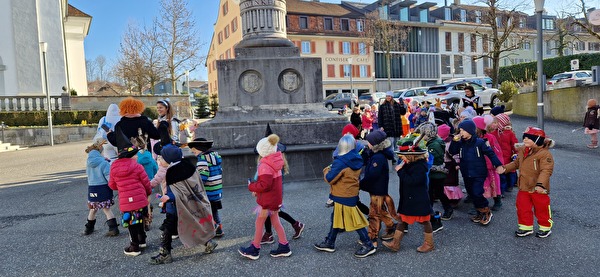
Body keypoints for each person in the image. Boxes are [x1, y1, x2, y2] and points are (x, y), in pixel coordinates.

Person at [149, 145, 218, 264]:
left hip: (175, 207)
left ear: (169, 160)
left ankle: (165, 254)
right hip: (189, 204)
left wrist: (168, 197)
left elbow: (179, 192)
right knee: (192, 223)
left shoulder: (173, 172)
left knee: (168, 228)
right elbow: (190, 188)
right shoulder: (188, 166)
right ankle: (208, 242)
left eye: (162, 158)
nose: (159, 160)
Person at [315, 134, 376, 258]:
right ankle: (330, 242)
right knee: (336, 219)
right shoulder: (357, 158)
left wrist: (326, 170)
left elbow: (330, 178)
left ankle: (368, 244)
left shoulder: (340, 162)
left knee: (356, 221)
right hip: (350, 193)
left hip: (342, 195)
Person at [239, 134, 292, 260]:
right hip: (275, 199)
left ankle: (255, 249)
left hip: (267, 201)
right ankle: (284, 246)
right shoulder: (276, 162)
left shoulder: (265, 165)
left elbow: (264, 185)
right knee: (276, 222)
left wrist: (252, 186)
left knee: (259, 223)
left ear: (261, 151)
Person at [498, 127, 555, 238]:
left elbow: (546, 170)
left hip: (538, 188)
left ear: (537, 140)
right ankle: (525, 226)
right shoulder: (523, 150)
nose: (525, 140)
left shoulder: (544, 154)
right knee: (522, 207)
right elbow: (516, 163)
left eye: (529, 138)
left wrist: (540, 184)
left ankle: (545, 227)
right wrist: (505, 168)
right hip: (524, 186)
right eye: (524, 138)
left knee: (542, 208)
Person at [382, 139, 434, 253]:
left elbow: (412, 181)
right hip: (409, 199)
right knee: (402, 220)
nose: (401, 158)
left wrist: (400, 171)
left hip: (418, 199)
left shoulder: (420, 167)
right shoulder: (409, 164)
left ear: (411, 156)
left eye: (403, 156)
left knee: (425, 221)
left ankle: (429, 244)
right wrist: (402, 168)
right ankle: (395, 243)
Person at [448, 119, 503, 226]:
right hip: (466, 172)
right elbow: (452, 151)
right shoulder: (460, 143)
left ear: (470, 131)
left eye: (463, 130)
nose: (461, 133)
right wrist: (454, 141)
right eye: (460, 130)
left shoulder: (480, 142)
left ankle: (486, 211)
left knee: (477, 192)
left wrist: (498, 165)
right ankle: (479, 212)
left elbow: (491, 153)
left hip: (479, 172)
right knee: (472, 193)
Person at [108, 127, 152, 256]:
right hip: (140, 200)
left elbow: (112, 185)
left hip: (127, 202)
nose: (137, 157)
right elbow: (146, 183)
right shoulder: (137, 166)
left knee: (131, 224)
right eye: (135, 155)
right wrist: (147, 193)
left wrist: (121, 187)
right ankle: (142, 240)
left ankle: (135, 247)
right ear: (131, 156)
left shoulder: (114, 167)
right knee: (140, 220)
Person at [360, 130, 397, 247]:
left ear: (376, 145)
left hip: (377, 189)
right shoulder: (375, 154)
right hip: (377, 189)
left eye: (369, 142)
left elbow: (372, 175)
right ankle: (392, 227)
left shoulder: (378, 158)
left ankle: (372, 238)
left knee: (374, 214)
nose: (367, 144)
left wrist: (360, 184)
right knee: (380, 210)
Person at [188, 138, 225, 237]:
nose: (192, 151)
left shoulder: (202, 160)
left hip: (208, 191)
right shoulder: (215, 158)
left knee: (206, 211)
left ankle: (214, 227)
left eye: (194, 149)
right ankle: (219, 229)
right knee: (214, 210)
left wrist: (194, 184)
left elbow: (202, 177)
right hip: (216, 190)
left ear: (200, 149)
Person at [83, 138, 119, 237]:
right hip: (103, 188)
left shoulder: (88, 163)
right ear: (100, 152)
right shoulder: (104, 163)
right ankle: (113, 228)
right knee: (106, 209)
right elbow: (108, 177)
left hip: (92, 189)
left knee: (93, 209)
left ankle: (88, 228)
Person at [416, 122, 447, 233]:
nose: (422, 137)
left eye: (423, 134)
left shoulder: (434, 145)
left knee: (438, 193)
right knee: (431, 194)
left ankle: (444, 212)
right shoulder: (433, 142)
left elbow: (433, 159)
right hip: (435, 172)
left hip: (437, 173)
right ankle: (429, 214)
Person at [473, 116, 505, 211]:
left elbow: (497, 151)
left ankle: (497, 200)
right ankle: (480, 204)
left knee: (494, 183)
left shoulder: (490, 137)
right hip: (477, 166)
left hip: (490, 166)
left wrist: (499, 164)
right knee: (480, 185)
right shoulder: (472, 138)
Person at [131, 133, 159, 231]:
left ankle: (140, 220)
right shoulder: (149, 157)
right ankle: (148, 220)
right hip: (149, 182)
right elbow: (156, 168)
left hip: (138, 183)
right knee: (147, 201)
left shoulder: (135, 159)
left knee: (139, 203)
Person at [492, 113, 519, 193]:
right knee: (501, 174)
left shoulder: (509, 133)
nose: (495, 124)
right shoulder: (494, 132)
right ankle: (502, 190)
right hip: (499, 157)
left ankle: (510, 185)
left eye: (496, 122)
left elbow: (514, 144)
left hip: (508, 156)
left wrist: (516, 152)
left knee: (510, 172)